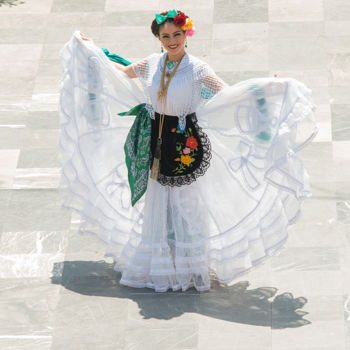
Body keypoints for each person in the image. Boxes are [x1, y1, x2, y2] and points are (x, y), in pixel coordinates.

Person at [58, 9, 318, 292]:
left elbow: (228, 94)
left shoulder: (198, 69)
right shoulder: (153, 64)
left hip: (184, 143)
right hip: (155, 141)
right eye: (166, 36)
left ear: (186, 34)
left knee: (186, 202)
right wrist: (89, 48)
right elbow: (120, 72)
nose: (172, 41)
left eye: (177, 35)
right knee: (158, 201)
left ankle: (189, 263)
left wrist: (268, 87)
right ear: (158, 38)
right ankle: (162, 260)